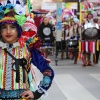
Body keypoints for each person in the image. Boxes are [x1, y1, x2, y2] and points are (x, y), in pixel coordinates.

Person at [0, 0, 54, 99]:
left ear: (19, 29)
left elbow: (48, 72)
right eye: (4, 27)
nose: (8, 31)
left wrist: (37, 93)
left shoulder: (28, 48)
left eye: (12, 27)